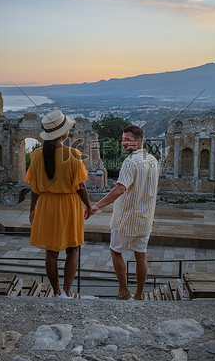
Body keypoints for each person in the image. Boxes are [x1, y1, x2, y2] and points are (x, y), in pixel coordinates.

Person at [25, 109, 92, 298]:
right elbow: (80, 186)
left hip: (47, 206)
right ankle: (67, 292)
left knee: (51, 253)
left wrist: (32, 208)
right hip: (69, 205)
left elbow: (35, 188)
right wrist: (88, 205)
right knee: (73, 249)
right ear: (64, 133)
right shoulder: (72, 155)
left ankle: (55, 291)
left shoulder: (37, 155)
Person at [92, 125, 159, 300]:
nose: (123, 143)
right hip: (144, 219)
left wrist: (97, 206)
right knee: (140, 255)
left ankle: (123, 292)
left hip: (126, 219)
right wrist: (152, 214)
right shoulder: (152, 159)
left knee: (115, 251)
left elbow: (120, 189)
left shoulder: (130, 162)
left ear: (138, 141)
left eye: (127, 139)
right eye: (123, 139)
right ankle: (139, 295)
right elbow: (153, 191)